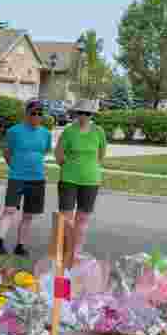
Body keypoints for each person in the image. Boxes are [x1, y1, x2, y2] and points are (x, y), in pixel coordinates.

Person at [0, 100, 52, 257]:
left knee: (28, 214)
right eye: (33, 112)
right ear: (26, 113)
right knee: (9, 210)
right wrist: (14, 166)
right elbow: (7, 152)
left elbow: (44, 151)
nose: (36, 116)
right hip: (17, 177)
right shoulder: (14, 131)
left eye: (40, 113)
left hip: (37, 178)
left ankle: (20, 246)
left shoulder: (46, 134)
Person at [53, 99, 106, 265]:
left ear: (91, 115)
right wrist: (69, 166)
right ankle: (62, 251)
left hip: (91, 180)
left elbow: (101, 154)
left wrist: (90, 167)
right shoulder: (69, 131)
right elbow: (58, 155)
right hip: (69, 179)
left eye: (88, 113)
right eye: (81, 113)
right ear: (76, 114)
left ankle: (76, 252)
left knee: (82, 219)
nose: (84, 116)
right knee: (66, 218)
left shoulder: (99, 131)